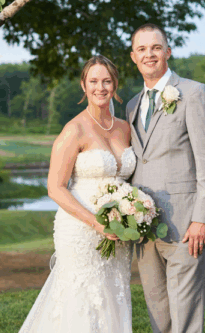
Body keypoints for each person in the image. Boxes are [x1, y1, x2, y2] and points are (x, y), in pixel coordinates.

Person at [18, 55, 136, 332]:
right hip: (81, 229)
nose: (100, 87)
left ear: (115, 84)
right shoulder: (74, 130)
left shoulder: (125, 129)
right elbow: (55, 188)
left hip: (118, 232)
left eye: (107, 81)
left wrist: (132, 213)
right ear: (83, 85)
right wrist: (96, 222)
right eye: (93, 81)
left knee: (113, 296)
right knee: (80, 299)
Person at [126, 23, 205, 333]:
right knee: (159, 317)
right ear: (133, 57)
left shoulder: (194, 93)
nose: (149, 54)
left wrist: (203, 219)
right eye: (142, 49)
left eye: (156, 47)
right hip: (145, 229)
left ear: (168, 51)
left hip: (185, 227)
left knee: (185, 319)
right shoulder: (131, 106)